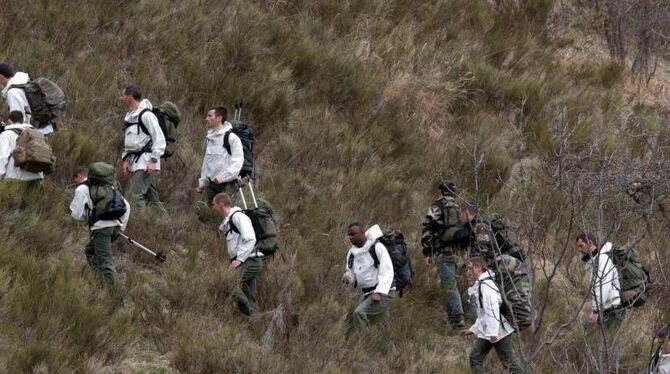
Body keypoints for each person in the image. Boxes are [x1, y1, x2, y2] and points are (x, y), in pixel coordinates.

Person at [69, 166, 130, 293]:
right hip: (115, 227)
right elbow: (127, 206)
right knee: (90, 250)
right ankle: (100, 282)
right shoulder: (110, 186)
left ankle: (116, 296)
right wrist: (121, 227)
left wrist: (86, 213)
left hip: (101, 229)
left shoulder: (82, 189)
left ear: (79, 177)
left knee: (106, 262)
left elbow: (76, 214)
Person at [460, 256, 525, 374]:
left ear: (478, 267)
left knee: (510, 364)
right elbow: (484, 314)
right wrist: (473, 329)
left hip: (498, 331)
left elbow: (492, 308)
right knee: (475, 358)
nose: (468, 272)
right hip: (490, 331)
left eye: (470, 268)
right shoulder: (482, 283)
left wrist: (493, 332)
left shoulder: (486, 285)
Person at [421, 180, 470, 329]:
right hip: (460, 254)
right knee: (461, 285)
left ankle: (458, 318)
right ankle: (469, 315)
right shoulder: (460, 208)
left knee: (449, 286)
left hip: (443, 252)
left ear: (441, 192)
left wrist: (427, 252)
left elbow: (427, 230)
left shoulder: (436, 208)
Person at [213, 192, 263, 316]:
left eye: (214, 204)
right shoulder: (229, 220)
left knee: (229, 282)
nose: (213, 207)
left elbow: (250, 238)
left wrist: (240, 259)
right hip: (245, 261)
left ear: (221, 204)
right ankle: (255, 322)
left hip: (250, 261)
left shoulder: (238, 217)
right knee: (248, 297)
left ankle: (252, 315)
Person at [120, 85, 167, 213]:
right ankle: (164, 221)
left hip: (146, 162)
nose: (121, 98)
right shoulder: (130, 117)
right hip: (137, 162)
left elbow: (159, 138)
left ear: (130, 97)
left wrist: (153, 160)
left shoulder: (146, 115)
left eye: (122, 95)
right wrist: (125, 160)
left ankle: (137, 222)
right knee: (152, 199)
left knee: (134, 196)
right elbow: (130, 142)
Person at [343, 222, 395, 328]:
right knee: (381, 325)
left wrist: (379, 292)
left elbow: (387, 270)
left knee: (359, 313)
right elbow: (351, 272)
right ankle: (385, 343)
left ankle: (362, 341)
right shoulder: (352, 253)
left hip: (384, 292)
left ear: (362, 233)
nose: (350, 237)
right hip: (368, 294)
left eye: (353, 234)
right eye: (349, 235)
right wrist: (348, 278)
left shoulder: (377, 247)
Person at [196, 106, 243, 209]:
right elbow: (207, 163)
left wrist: (223, 177)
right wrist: (202, 183)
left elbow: (238, 162)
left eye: (209, 116)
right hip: (212, 184)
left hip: (227, 184)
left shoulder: (231, 138)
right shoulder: (210, 139)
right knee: (201, 209)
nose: (206, 119)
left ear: (219, 118)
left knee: (223, 213)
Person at [575, 233, 625, 328]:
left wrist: (596, 311)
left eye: (581, 246)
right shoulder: (595, 261)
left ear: (590, 243)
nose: (579, 249)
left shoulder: (602, 259)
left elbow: (603, 286)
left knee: (610, 341)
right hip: (607, 308)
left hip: (612, 310)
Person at [0, 63, 54, 135]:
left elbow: (18, 121)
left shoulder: (13, 92)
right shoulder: (25, 82)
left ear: (1, 76)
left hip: (32, 133)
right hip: (43, 127)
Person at [0, 111, 43, 189]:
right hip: (35, 178)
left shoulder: (6, 134)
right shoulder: (35, 133)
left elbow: (3, 157)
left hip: (15, 178)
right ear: (22, 120)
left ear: (9, 120)